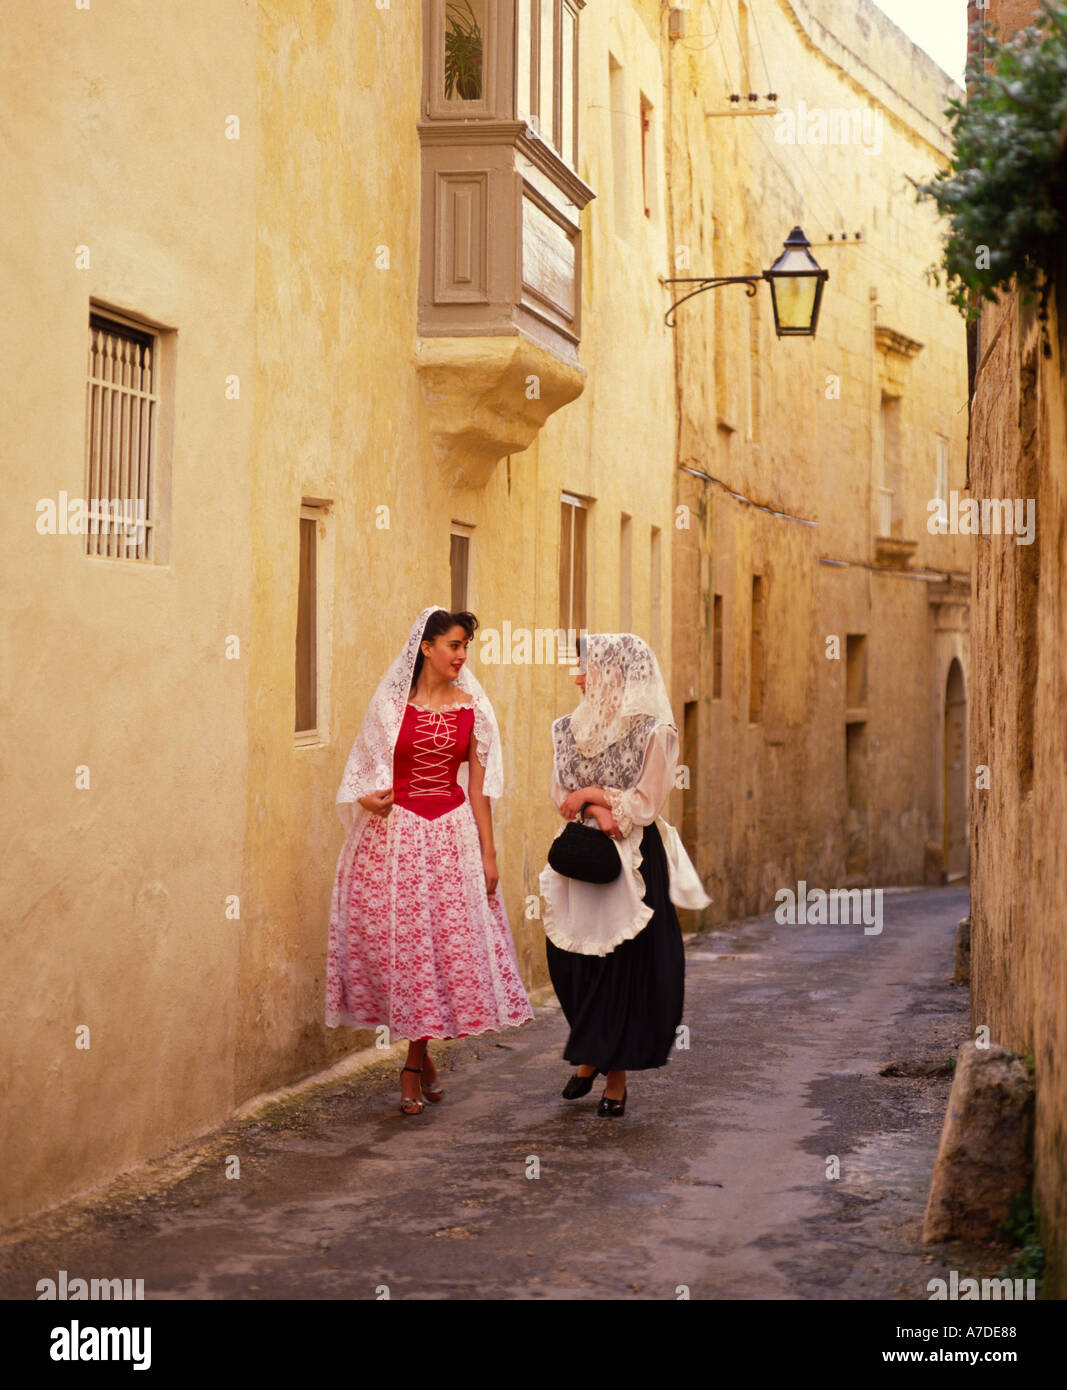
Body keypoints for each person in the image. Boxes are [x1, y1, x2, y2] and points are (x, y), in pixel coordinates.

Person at [327, 606, 534, 1114]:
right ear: (426, 648)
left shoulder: (475, 710)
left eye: (466, 647)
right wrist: (367, 799)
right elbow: (364, 771)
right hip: (392, 839)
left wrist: (488, 854)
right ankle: (423, 1052)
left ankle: (413, 1065)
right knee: (401, 950)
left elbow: (481, 792)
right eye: (453, 645)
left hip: (449, 839)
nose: (461, 656)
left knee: (434, 950)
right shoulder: (390, 706)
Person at [539, 634, 710, 1117]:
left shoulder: (655, 733)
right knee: (572, 961)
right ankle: (590, 1050)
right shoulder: (564, 729)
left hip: (631, 859)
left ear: (613, 674)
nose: (575, 676)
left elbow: (645, 803)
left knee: (622, 966)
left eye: (585, 668)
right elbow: (560, 797)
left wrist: (592, 794)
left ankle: (613, 1076)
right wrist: (594, 802)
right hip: (581, 854)